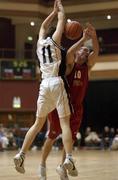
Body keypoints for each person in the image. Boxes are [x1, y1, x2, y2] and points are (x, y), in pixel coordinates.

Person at [13, 0, 76, 175]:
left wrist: (53, 13)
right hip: (56, 82)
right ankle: (69, 157)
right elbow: (62, 21)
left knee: (38, 123)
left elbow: (43, 26)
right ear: (54, 34)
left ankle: (21, 154)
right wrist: (60, 10)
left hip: (44, 84)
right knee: (65, 122)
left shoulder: (40, 44)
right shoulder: (55, 40)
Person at [38, 23, 99, 180]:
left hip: (76, 108)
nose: (86, 51)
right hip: (60, 103)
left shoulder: (87, 67)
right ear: (78, 52)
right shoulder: (70, 64)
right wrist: (84, 39)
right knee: (52, 136)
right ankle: (42, 164)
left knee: (70, 138)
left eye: (87, 51)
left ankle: (63, 167)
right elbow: (71, 51)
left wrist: (94, 37)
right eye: (83, 49)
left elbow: (96, 52)